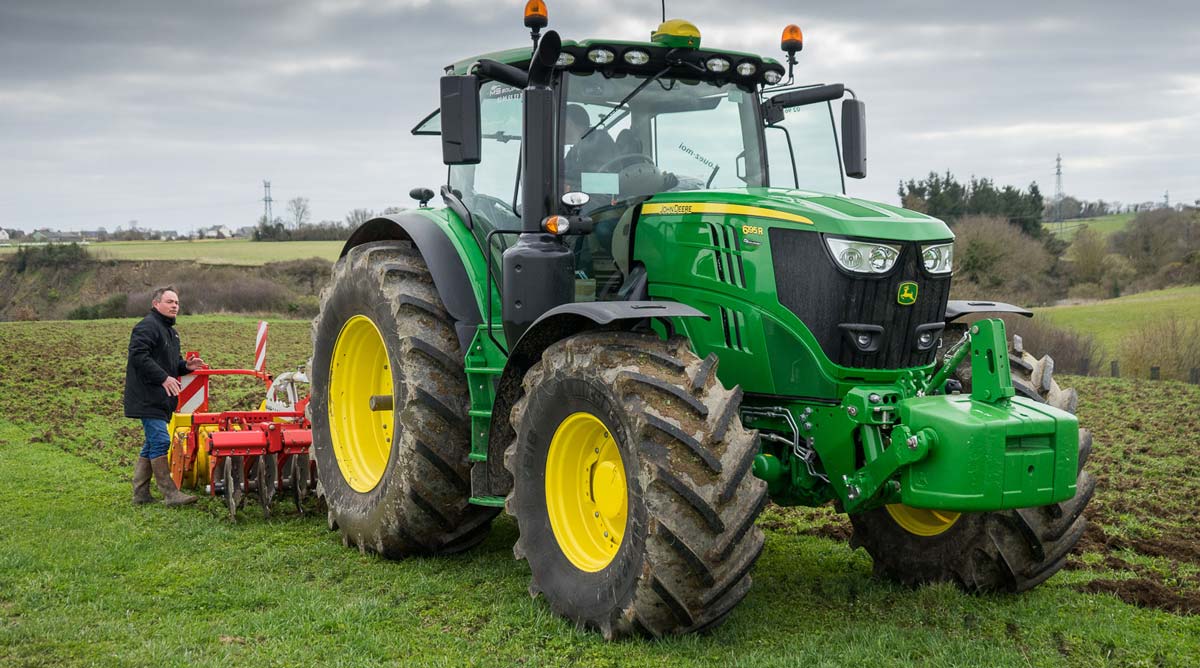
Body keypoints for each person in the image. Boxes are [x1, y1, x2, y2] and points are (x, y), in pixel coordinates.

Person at [124, 286, 204, 506]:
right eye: (170, 302)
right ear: (155, 303)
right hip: (147, 396)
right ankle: (170, 494)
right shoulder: (147, 327)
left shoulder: (170, 332)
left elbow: (171, 364)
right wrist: (163, 378)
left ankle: (140, 494)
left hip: (161, 397)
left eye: (177, 302)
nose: (175, 306)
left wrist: (186, 366)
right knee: (160, 440)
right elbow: (138, 357)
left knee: (151, 443)